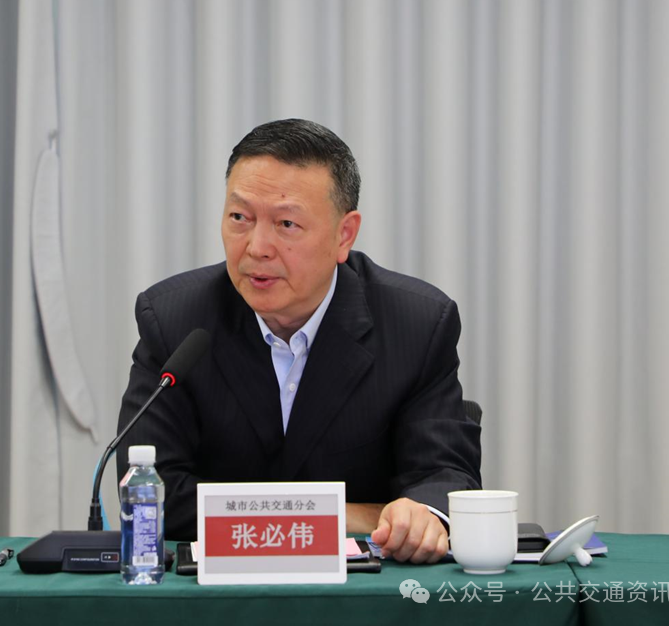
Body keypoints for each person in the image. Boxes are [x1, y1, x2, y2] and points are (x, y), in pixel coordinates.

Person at [116, 118, 481, 563]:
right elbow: (154, 495)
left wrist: (418, 515)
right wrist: (352, 515)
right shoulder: (174, 321)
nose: (257, 247)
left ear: (344, 235)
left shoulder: (416, 324)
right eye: (239, 218)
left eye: (286, 223)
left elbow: (444, 478)